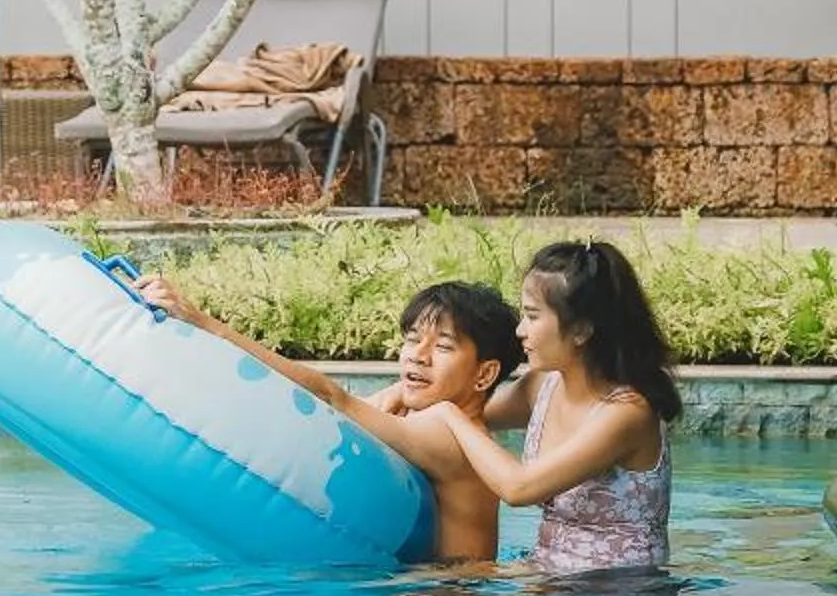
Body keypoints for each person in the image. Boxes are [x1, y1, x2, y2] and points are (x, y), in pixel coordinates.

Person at [138, 274, 523, 566]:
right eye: (411, 339)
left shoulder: (447, 435)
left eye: (442, 346)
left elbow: (328, 399)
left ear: (485, 375)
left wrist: (205, 324)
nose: (417, 356)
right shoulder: (437, 420)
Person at [425, 238, 678, 572]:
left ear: (581, 331)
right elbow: (471, 411)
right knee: (431, 583)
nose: (520, 330)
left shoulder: (629, 413)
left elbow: (518, 488)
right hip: (552, 579)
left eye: (532, 316)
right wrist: (401, 395)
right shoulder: (543, 386)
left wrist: (448, 413)